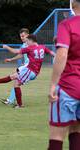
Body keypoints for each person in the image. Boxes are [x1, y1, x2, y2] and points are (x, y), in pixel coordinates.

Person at [0, 34, 55, 109]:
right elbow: (52, 53)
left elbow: (15, 51)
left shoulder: (30, 48)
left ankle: (20, 105)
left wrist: (7, 47)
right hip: (31, 70)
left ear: (31, 40)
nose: (26, 43)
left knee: (16, 84)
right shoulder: (43, 47)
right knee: (12, 76)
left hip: (30, 71)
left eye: (27, 41)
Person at [47, 0, 80, 150]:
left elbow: (61, 55)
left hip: (69, 86)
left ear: (73, 5)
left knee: (56, 136)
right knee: (76, 131)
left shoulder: (67, 24)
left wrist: (53, 84)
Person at [0, 28, 30, 105]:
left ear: (28, 35)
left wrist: (7, 47)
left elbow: (16, 52)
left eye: (23, 36)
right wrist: (11, 59)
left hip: (29, 68)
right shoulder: (24, 45)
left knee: (16, 81)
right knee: (17, 81)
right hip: (26, 66)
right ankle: (12, 99)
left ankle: (11, 100)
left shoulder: (30, 44)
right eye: (21, 36)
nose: (22, 38)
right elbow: (20, 55)